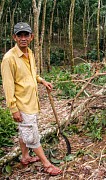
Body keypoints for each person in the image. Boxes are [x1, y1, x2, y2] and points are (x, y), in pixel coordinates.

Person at [1, 22, 62, 176]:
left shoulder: (30, 53)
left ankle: (25, 156)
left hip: (32, 102)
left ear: (31, 37)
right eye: (19, 35)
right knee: (32, 136)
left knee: (25, 132)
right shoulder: (9, 59)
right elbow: (8, 87)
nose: (23, 38)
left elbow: (31, 74)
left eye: (26, 35)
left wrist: (42, 80)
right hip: (22, 105)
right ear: (14, 37)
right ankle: (47, 164)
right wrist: (13, 109)